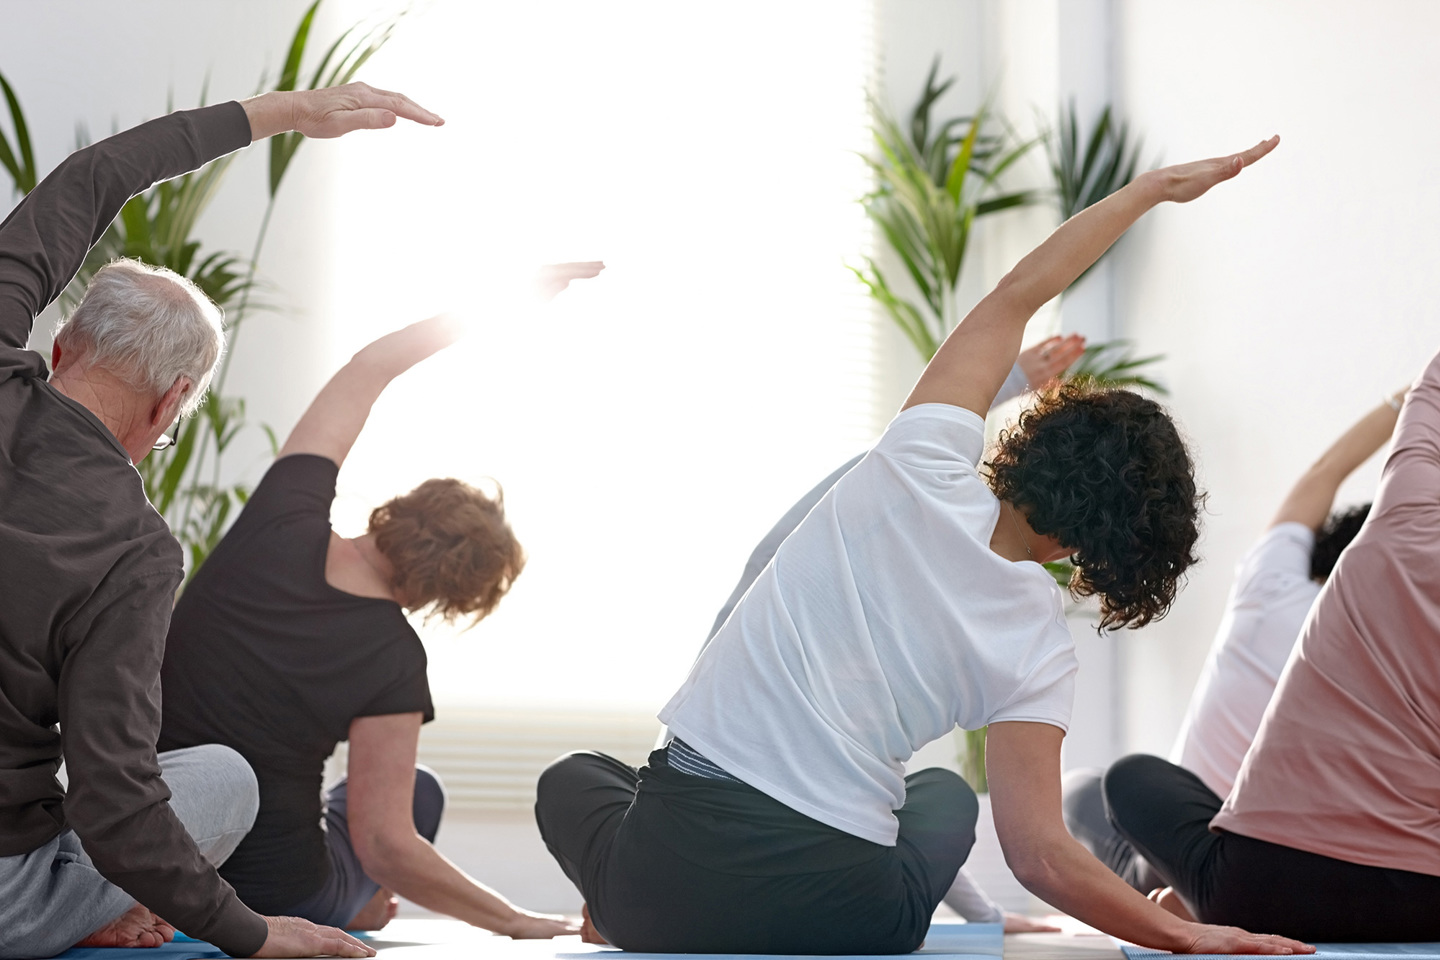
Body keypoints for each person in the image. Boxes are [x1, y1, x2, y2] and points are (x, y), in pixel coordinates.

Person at [535, 136, 1313, 956]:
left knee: (574, 778)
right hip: (850, 921)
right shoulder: (1040, 650)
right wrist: (1185, 937)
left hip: (657, 891)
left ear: (1039, 440)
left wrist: (1151, 190)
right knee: (941, 792)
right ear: (1113, 544)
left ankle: (616, 904)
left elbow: (1019, 292)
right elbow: (1040, 855)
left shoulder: (917, 462)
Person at [0, 81, 439, 960]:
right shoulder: (135, 551)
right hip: (7, 900)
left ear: (63, 348)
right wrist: (253, 933)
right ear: (171, 405)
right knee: (221, 778)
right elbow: (116, 801)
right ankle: (79, 911)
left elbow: (89, 180)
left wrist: (281, 113)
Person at [159, 275, 597, 939]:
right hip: (276, 892)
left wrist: (510, 295)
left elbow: (371, 367)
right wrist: (516, 921)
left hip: (162, 848)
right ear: (452, 595)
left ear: (406, 507)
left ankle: (353, 903)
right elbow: (386, 844)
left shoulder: (282, 518)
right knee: (417, 791)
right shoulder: (394, 659)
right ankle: (356, 907)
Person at [690, 335, 1086, 933]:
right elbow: (888, 461)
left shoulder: (806, 689)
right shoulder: (766, 658)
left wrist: (985, 917)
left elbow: (885, 816)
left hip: (707, 870)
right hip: (787, 881)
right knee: (938, 797)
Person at [1103, 355, 1440, 940]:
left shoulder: (1280, 586)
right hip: (1424, 893)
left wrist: (1408, 395)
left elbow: (1323, 472)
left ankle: (1181, 895)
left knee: (1103, 785)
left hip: (1260, 876)